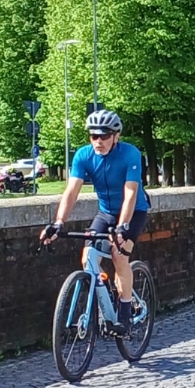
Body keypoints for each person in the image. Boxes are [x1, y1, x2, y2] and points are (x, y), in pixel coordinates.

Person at [39, 110, 150, 336]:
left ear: (115, 136)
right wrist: (59, 222)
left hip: (134, 211)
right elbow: (71, 191)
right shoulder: (83, 155)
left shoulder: (130, 154)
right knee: (87, 256)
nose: (99, 141)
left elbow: (130, 194)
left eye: (105, 135)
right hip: (106, 212)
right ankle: (105, 292)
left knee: (119, 256)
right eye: (94, 136)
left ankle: (126, 314)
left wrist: (123, 227)